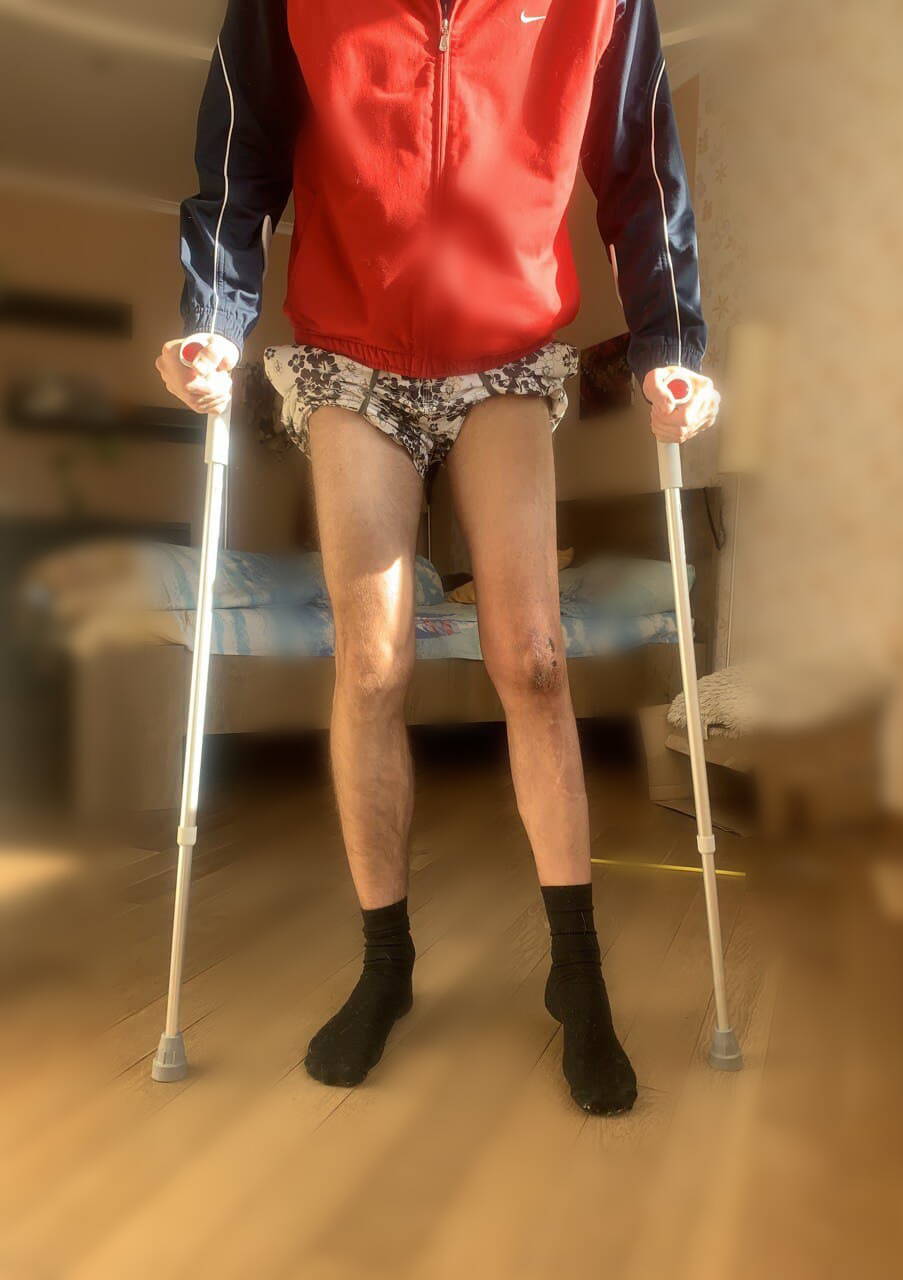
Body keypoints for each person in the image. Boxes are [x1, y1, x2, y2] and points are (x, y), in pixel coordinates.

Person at [156, 0, 719, 1115]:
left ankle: (576, 970)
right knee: (371, 665)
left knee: (537, 659)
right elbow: (239, 153)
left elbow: (642, 170)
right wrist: (213, 318)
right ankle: (387, 961)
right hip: (350, 351)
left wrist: (671, 345)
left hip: (504, 350)